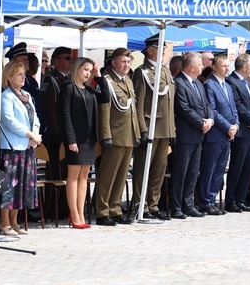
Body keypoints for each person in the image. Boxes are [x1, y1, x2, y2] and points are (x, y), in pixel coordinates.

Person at [131, 35, 175, 221]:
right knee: (143, 169)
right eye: (159, 48)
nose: (163, 51)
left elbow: (170, 103)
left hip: (164, 127)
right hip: (150, 126)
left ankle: (153, 204)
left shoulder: (165, 71)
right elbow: (139, 104)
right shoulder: (142, 72)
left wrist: (172, 129)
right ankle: (140, 204)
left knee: (159, 169)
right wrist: (142, 130)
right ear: (149, 50)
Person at [95, 48, 140, 226]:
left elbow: (133, 111)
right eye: (123, 62)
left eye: (128, 62)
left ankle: (115, 209)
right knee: (108, 175)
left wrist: (137, 132)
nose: (126, 65)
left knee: (121, 176)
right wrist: (106, 135)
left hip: (128, 134)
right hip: (114, 134)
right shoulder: (107, 81)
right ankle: (102, 211)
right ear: (113, 63)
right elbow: (104, 110)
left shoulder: (128, 81)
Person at [0, 60, 41, 236]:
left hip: (27, 146)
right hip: (12, 147)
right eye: (19, 74)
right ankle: (4, 222)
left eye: (24, 74)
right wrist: (29, 134)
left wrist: (36, 134)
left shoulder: (27, 95)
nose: (23, 77)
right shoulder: (5, 97)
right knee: (9, 185)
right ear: (9, 77)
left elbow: (35, 118)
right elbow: (9, 121)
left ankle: (15, 221)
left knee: (21, 185)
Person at [59, 57, 102, 229]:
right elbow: (65, 115)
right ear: (76, 69)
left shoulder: (90, 89)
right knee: (74, 175)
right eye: (85, 69)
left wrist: (99, 77)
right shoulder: (68, 88)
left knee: (84, 175)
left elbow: (104, 96)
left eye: (90, 70)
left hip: (88, 139)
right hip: (75, 139)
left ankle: (81, 212)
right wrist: (70, 139)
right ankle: (74, 213)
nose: (88, 73)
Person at [170, 52, 214, 219]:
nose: (203, 67)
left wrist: (209, 120)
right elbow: (183, 108)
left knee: (193, 172)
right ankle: (176, 207)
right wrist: (201, 123)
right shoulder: (179, 83)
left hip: (198, 135)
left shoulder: (198, 84)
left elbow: (207, 105)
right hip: (185, 135)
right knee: (180, 172)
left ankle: (188, 205)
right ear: (192, 66)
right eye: (200, 64)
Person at [198, 54, 238, 216]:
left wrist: (235, 125)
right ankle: (205, 202)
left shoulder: (227, 86)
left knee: (220, 169)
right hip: (215, 134)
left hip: (227, 134)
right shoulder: (209, 85)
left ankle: (212, 199)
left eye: (228, 66)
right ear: (214, 67)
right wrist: (228, 127)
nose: (227, 68)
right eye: (223, 66)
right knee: (210, 169)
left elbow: (233, 108)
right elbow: (212, 110)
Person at [225, 54, 250, 213]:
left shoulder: (247, 82)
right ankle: (230, 200)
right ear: (244, 66)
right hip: (242, 131)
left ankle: (240, 199)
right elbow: (237, 105)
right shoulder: (231, 82)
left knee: (248, 167)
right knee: (237, 167)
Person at [41, 46, 74, 182]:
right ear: (56, 61)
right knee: (56, 171)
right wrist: (55, 132)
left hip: (68, 132)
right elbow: (50, 108)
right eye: (67, 58)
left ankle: (65, 202)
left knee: (67, 171)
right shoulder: (51, 79)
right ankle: (53, 203)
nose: (71, 61)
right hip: (58, 132)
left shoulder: (70, 79)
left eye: (71, 58)